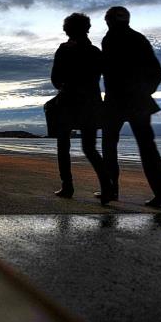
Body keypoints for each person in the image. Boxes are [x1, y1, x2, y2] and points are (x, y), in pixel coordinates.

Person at [101, 6, 161, 206]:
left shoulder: (130, 39)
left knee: (123, 146)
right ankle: (160, 192)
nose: (110, 23)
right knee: (134, 146)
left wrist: (142, 92)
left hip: (130, 101)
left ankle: (113, 190)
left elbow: (155, 72)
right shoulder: (121, 39)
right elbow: (156, 72)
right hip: (122, 101)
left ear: (110, 21)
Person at [50, 13, 113, 200]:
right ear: (87, 29)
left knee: (63, 145)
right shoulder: (95, 52)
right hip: (91, 104)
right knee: (90, 148)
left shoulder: (63, 50)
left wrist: (64, 85)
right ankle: (107, 187)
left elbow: (55, 79)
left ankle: (67, 187)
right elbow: (105, 76)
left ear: (67, 30)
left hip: (68, 102)